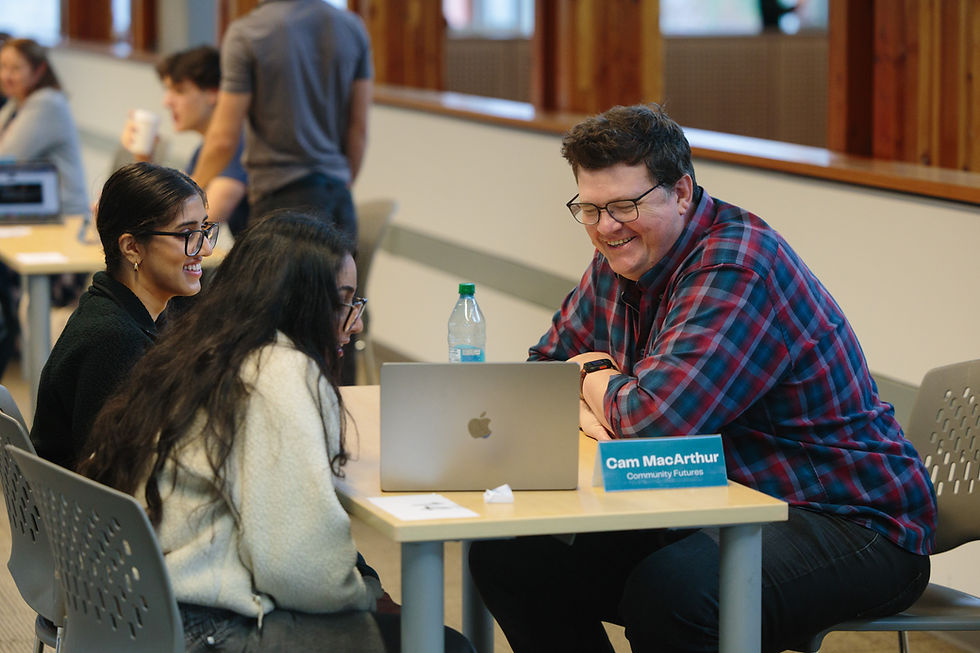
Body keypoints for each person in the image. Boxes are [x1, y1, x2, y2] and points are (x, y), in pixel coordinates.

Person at [467, 104, 938, 653]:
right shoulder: (622, 254)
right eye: (589, 210)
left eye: (624, 205)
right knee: (511, 557)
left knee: (674, 595)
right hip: (716, 502)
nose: (606, 227)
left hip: (848, 520)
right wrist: (606, 409)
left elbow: (649, 428)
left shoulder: (737, 267)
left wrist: (591, 371)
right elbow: (544, 374)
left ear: (683, 192)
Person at [76, 212, 473, 653]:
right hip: (204, 629)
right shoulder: (280, 370)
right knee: (447, 645)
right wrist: (364, 596)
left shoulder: (195, 348)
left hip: (131, 614)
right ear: (299, 303)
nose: (355, 323)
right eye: (343, 302)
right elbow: (299, 570)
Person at [31, 162, 216, 470]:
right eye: (188, 234)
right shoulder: (114, 339)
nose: (205, 248)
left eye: (204, 230)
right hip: (85, 513)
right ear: (132, 247)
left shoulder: (127, 313)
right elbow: (113, 472)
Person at [191, 0, 372, 240]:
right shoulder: (352, 27)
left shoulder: (248, 33)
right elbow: (358, 128)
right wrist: (342, 183)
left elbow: (223, 139)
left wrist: (188, 195)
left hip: (280, 204)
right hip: (339, 201)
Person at [121, 45, 250, 236]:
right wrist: (143, 156)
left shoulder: (233, 143)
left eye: (179, 91)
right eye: (168, 91)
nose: (167, 101)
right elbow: (169, 204)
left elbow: (193, 224)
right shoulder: (204, 150)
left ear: (213, 94)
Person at [0, 37, 88, 214]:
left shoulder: (47, 103)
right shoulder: (16, 102)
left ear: (39, 70)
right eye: (2, 66)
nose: (6, 76)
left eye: (16, 68)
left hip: (64, 215)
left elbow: (7, 158)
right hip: (32, 209)